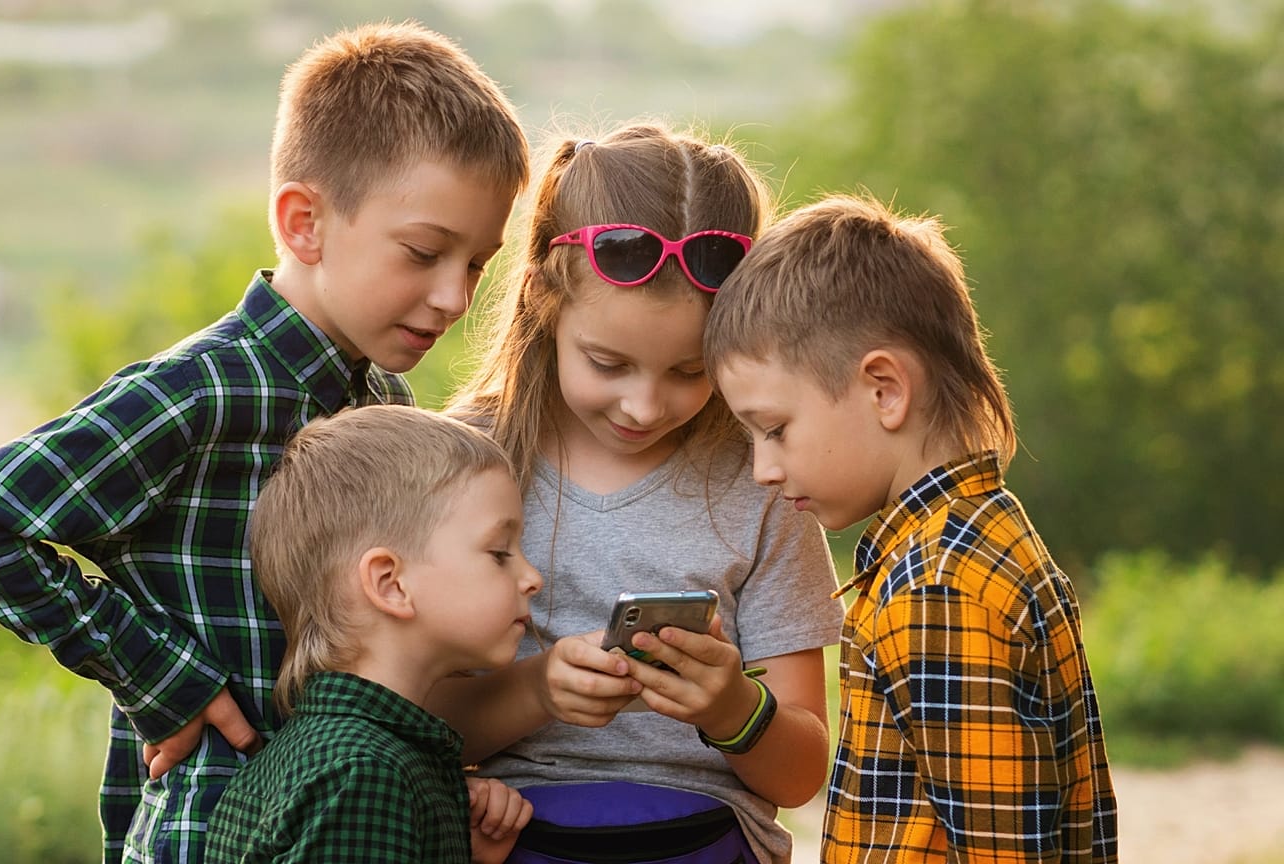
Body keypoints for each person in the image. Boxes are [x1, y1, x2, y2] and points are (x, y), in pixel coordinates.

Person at [0, 21, 528, 863]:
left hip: (354, 818)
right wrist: (164, 680)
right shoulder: (200, 392)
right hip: (209, 827)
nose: (453, 296)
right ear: (304, 223)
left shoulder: (388, 406)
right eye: (423, 253)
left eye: (478, 265)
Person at [431, 123, 846, 864]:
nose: (645, 406)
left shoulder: (765, 485)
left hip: (704, 836)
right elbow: (405, 717)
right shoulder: (460, 462)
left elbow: (802, 771)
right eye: (608, 362)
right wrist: (536, 693)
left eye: (690, 372)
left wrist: (732, 709)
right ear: (541, 303)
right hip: (512, 836)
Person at [702, 194, 1119, 863]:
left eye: (775, 430)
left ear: (886, 390)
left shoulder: (935, 590)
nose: (763, 469)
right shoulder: (985, 537)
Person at [205, 405, 540, 864]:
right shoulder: (364, 772)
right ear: (390, 584)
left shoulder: (314, 754)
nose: (533, 577)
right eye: (500, 552)